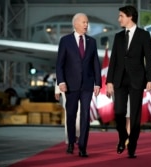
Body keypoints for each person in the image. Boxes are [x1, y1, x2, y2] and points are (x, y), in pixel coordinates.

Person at [106, 5, 151, 158]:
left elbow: (149, 58)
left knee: (134, 115)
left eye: (121, 16)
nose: (118, 19)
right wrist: (109, 81)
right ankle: (122, 138)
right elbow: (113, 59)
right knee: (118, 112)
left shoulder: (144, 35)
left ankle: (132, 146)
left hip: (137, 80)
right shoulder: (118, 36)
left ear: (130, 17)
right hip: (119, 79)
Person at [56, 13, 101, 157]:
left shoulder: (92, 41)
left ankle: (82, 146)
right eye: (83, 22)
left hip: (87, 85)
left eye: (87, 22)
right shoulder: (65, 41)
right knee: (71, 114)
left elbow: (96, 64)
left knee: (86, 115)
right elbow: (59, 64)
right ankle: (70, 142)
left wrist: (98, 83)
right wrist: (61, 82)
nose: (86, 25)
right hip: (70, 85)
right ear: (75, 24)